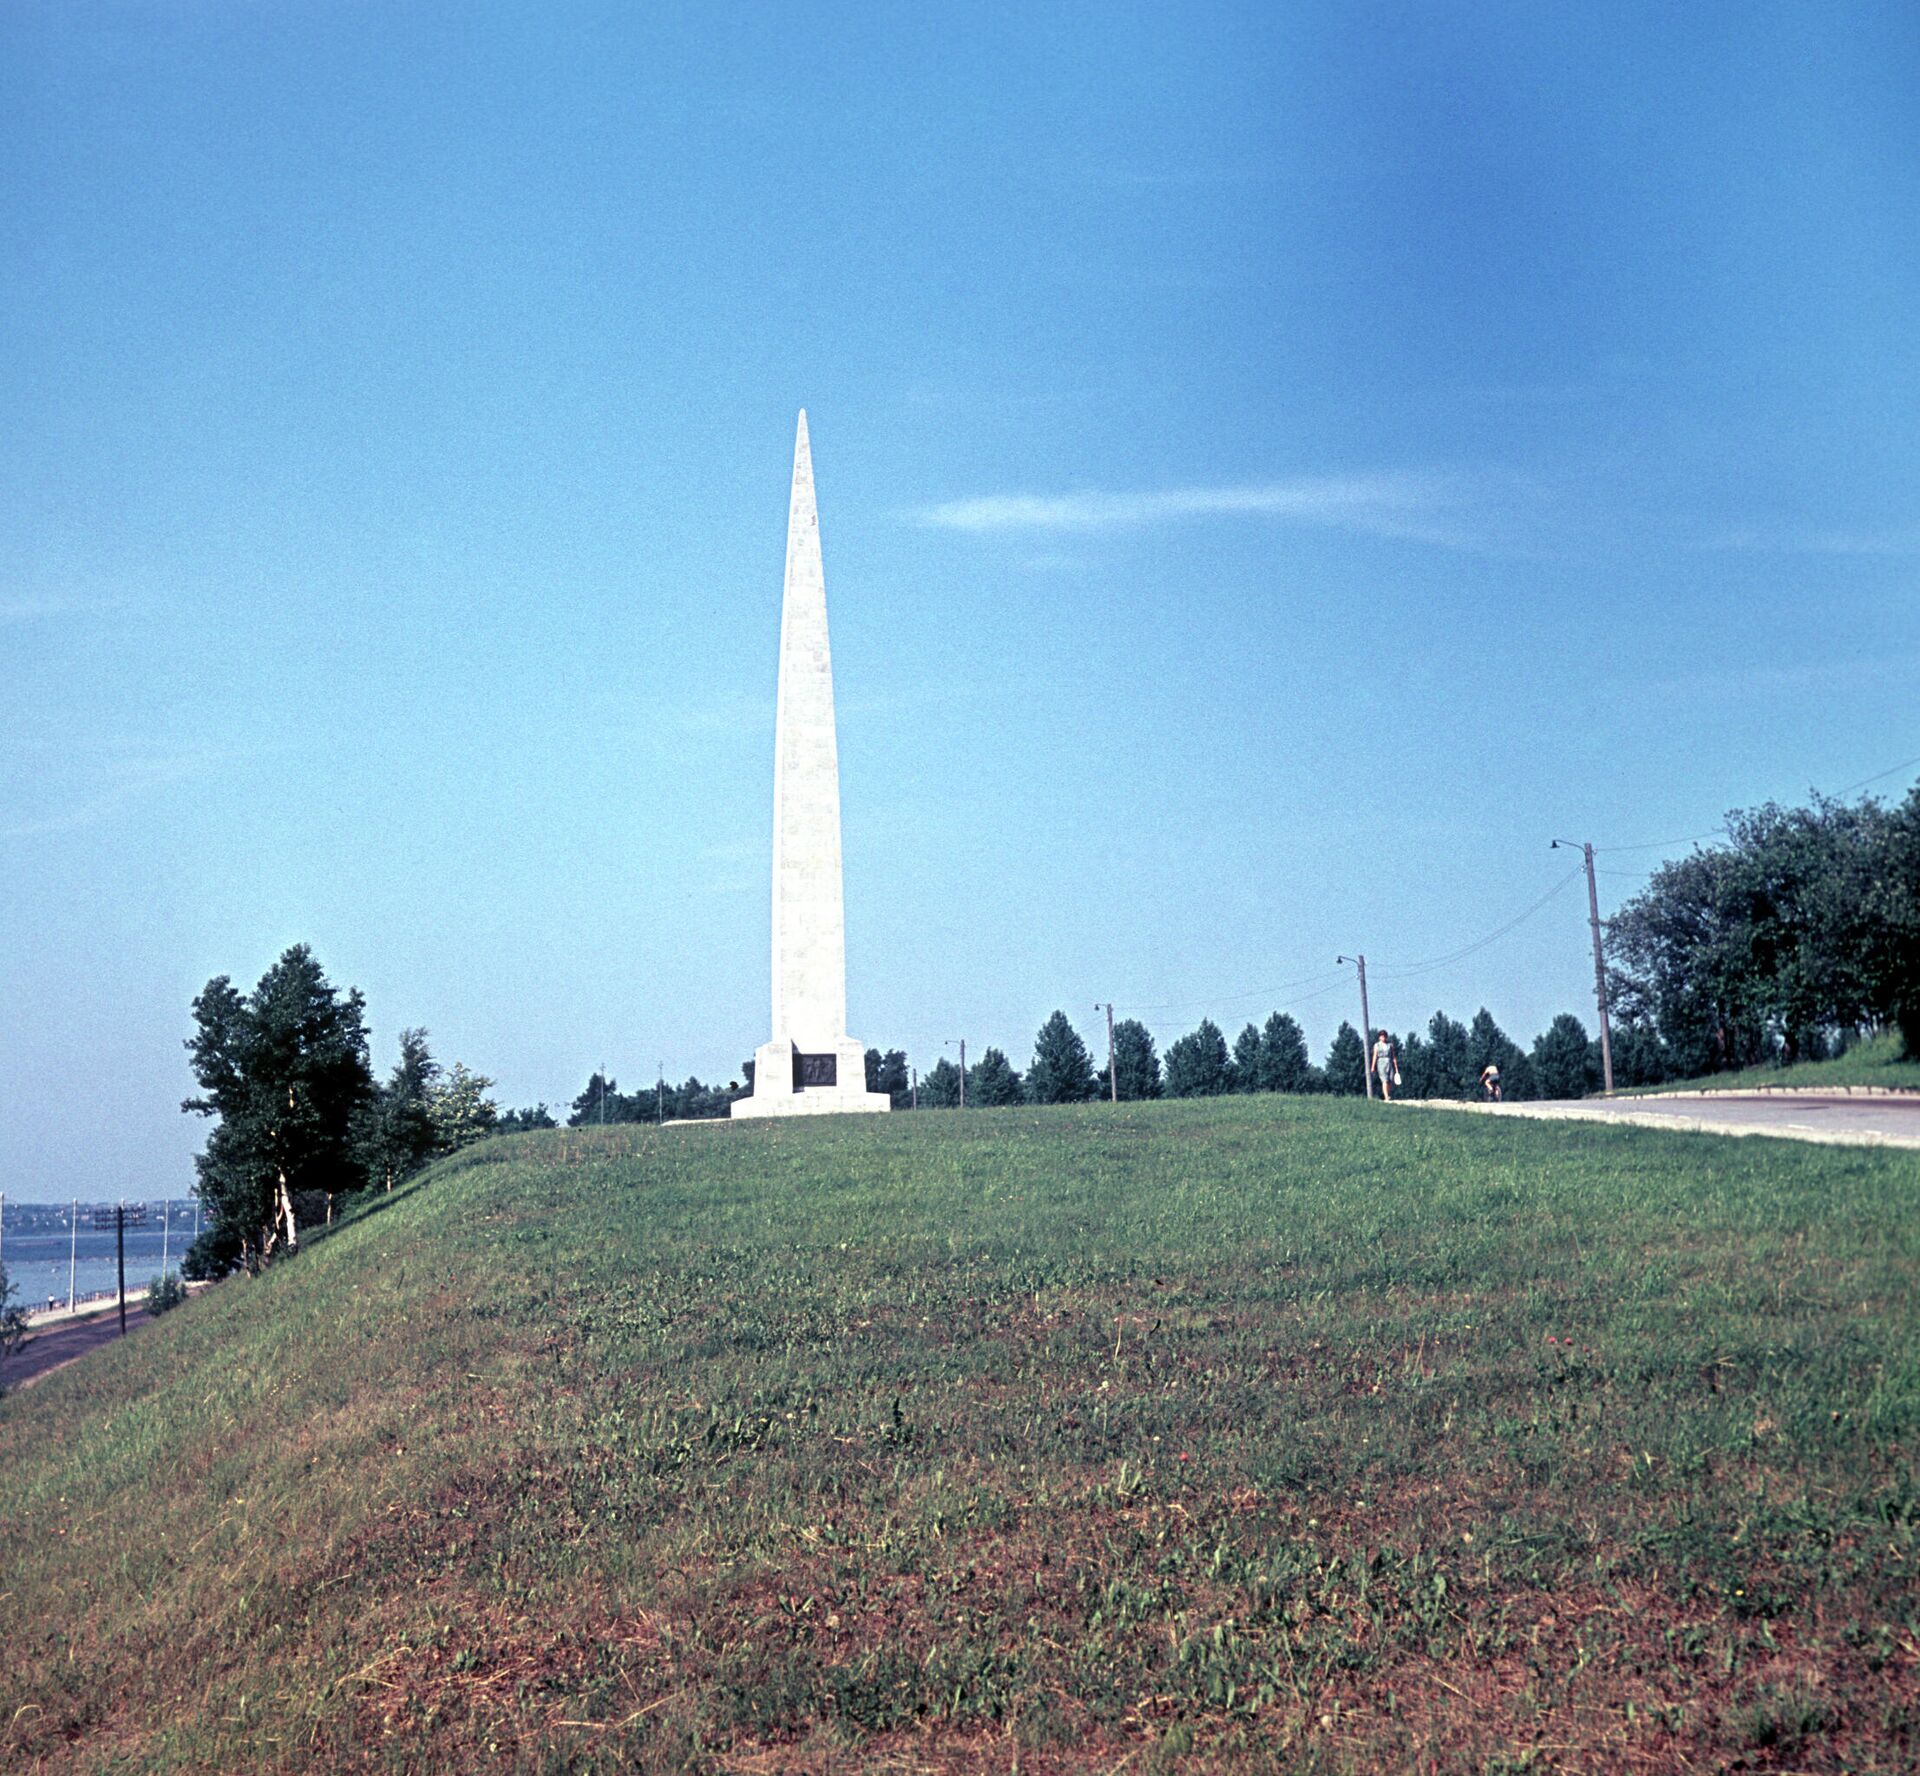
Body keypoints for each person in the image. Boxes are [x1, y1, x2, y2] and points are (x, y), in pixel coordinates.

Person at [1372, 1029, 1396, 1101]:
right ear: (1379, 1037)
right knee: (1384, 1079)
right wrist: (1372, 1066)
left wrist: (1396, 1066)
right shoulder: (1377, 1045)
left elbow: (1393, 1056)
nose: (1383, 1037)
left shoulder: (1390, 1045)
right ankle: (1386, 1096)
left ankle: (1387, 1093)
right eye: (1382, 1036)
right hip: (1381, 1062)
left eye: (1384, 1036)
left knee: (1390, 1080)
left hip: (1389, 1062)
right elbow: (1375, 1055)